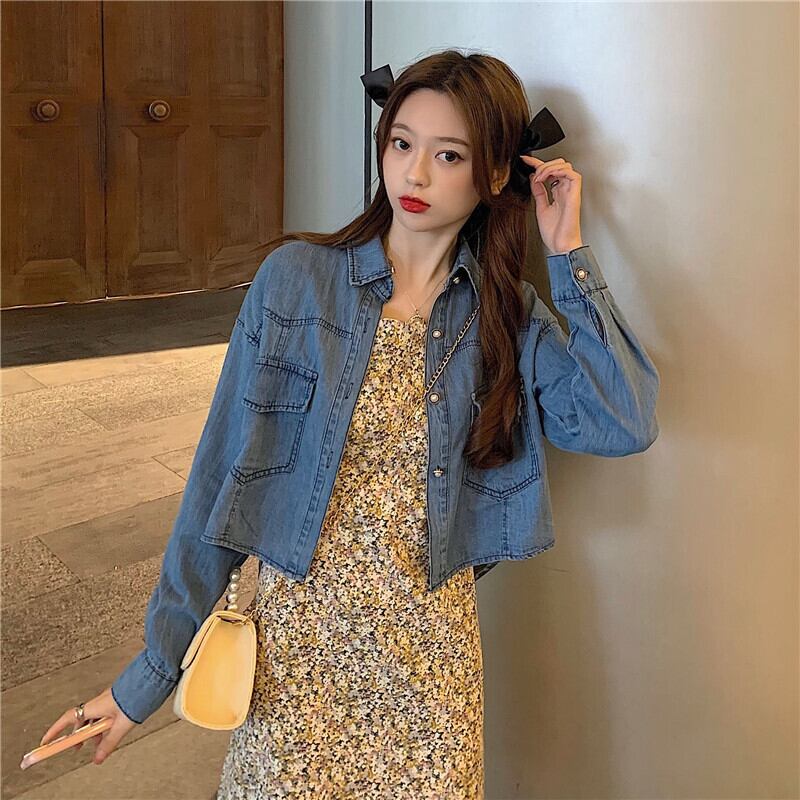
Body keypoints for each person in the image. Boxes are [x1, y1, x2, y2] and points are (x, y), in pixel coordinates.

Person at [39, 49, 660, 797]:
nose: (414, 174)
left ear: (496, 174)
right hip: (298, 657)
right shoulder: (296, 283)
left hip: (430, 670)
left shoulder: (506, 318)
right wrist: (147, 677)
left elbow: (621, 421)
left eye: (449, 155)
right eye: (401, 143)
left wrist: (568, 253)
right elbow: (217, 484)